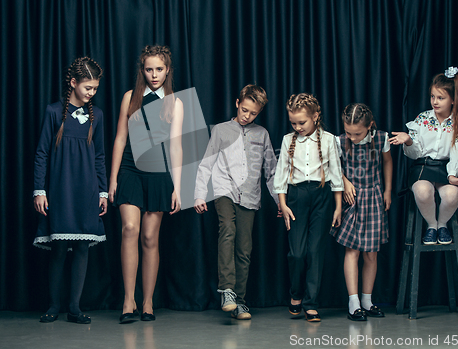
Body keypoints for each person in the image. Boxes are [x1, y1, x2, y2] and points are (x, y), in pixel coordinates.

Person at [109, 45, 183, 323]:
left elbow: (176, 146)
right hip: (129, 169)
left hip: (159, 173)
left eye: (159, 69)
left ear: (167, 71)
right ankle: (128, 300)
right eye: (149, 69)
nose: (154, 75)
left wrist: (178, 186)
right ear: (142, 70)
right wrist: (113, 177)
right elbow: (119, 139)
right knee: (130, 229)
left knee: (150, 238)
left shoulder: (175, 103)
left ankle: (148, 301)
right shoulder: (130, 97)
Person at [194, 85, 279, 320]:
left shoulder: (261, 134)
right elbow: (206, 163)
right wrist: (200, 194)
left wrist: (279, 201)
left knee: (244, 249)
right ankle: (227, 291)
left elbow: (271, 171)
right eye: (244, 110)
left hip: (250, 195)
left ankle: (240, 301)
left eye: (253, 113)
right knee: (228, 230)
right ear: (237, 103)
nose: (247, 116)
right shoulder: (221, 130)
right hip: (224, 190)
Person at [33, 57, 106, 324]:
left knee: (83, 247)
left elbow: (99, 156)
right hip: (60, 189)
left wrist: (102, 192)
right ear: (73, 83)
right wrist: (39, 190)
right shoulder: (53, 112)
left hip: (86, 190)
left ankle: (74, 308)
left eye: (95, 88)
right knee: (60, 247)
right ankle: (54, 306)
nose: (91, 93)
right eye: (88, 87)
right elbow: (41, 153)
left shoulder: (97, 116)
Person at [274, 93, 343, 322]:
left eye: (301, 122)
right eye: (293, 123)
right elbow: (281, 175)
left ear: (315, 116)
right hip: (296, 197)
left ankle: (311, 303)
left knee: (315, 252)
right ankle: (295, 294)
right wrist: (283, 204)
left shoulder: (330, 139)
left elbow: (336, 174)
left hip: (322, 196)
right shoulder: (287, 140)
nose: (297, 127)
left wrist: (338, 206)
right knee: (297, 253)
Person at [389, 66, 458, 245]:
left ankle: (443, 225)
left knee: (452, 195)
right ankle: (432, 226)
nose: (435, 102)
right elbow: (415, 154)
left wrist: (452, 176)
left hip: (444, 170)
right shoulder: (422, 119)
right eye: (433, 97)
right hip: (422, 167)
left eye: (441, 98)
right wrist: (409, 141)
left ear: (453, 100)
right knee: (422, 190)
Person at [332, 103, 393, 321]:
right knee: (352, 251)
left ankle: (367, 300)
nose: (352, 137)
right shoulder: (339, 141)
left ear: (370, 126)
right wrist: (344, 182)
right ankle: (354, 302)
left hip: (374, 197)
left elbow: (387, 162)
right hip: (353, 199)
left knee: (371, 253)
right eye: (348, 132)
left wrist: (387, 190)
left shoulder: (381, 138)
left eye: (357, 133)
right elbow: (332, 166)